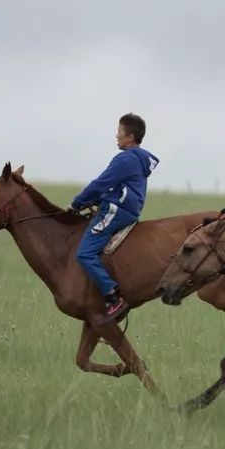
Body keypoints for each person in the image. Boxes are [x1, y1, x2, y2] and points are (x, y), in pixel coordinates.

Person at [70, 113, 160, 322]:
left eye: (119, 132)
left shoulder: (126, 158)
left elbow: (100, 183)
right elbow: (114, 187)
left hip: (116, 211)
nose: (116, 136)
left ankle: (112, 297)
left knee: (84, 253)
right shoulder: (137, 159)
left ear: (130, 137)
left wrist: (77, 203)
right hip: (127, 208)